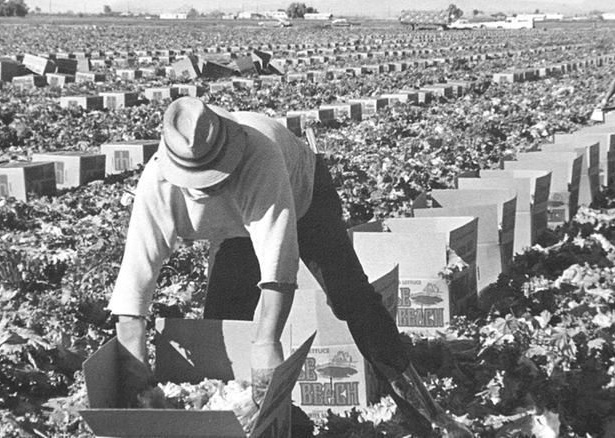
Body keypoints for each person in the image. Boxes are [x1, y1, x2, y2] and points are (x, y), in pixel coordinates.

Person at [107, 96, 472, 437]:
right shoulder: (156, 186)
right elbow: (133, 289)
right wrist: (139, 388)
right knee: (221, 324)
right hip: (236, 233)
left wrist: (266, 347)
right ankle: (283, 425)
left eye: (216, 177)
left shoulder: (259, 156)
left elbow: (277, 270)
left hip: (304, 199)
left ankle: (427, 414)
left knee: (351, 297)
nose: (210, 188)